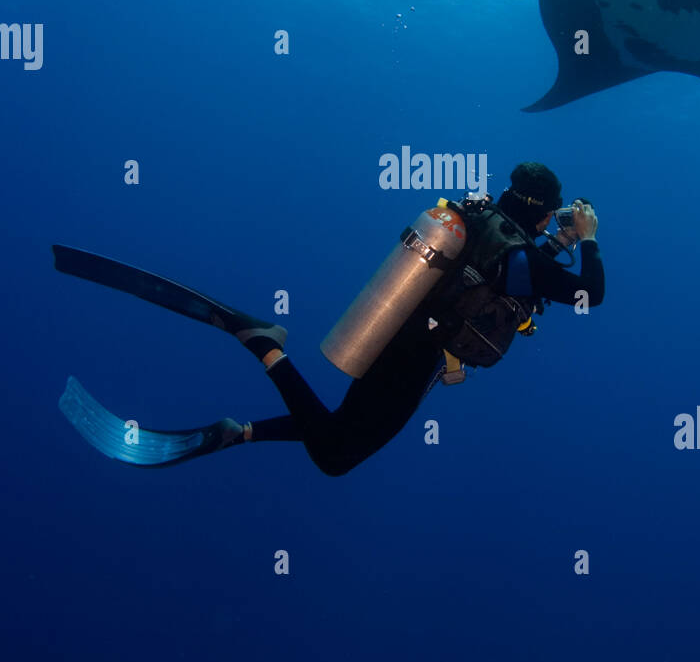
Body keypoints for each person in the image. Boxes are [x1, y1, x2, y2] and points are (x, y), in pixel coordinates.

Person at [55, 162, 604, 476]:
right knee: (338, 456)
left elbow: (510, 277)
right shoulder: (519, 253)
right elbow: (590, 294)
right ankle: (264, 344)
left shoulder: (478, 216)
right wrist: (591, 241)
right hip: (416, 359)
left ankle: (240, 433)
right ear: (539, 209)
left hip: (394, 334)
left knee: (342, 429)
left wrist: (556, 237)